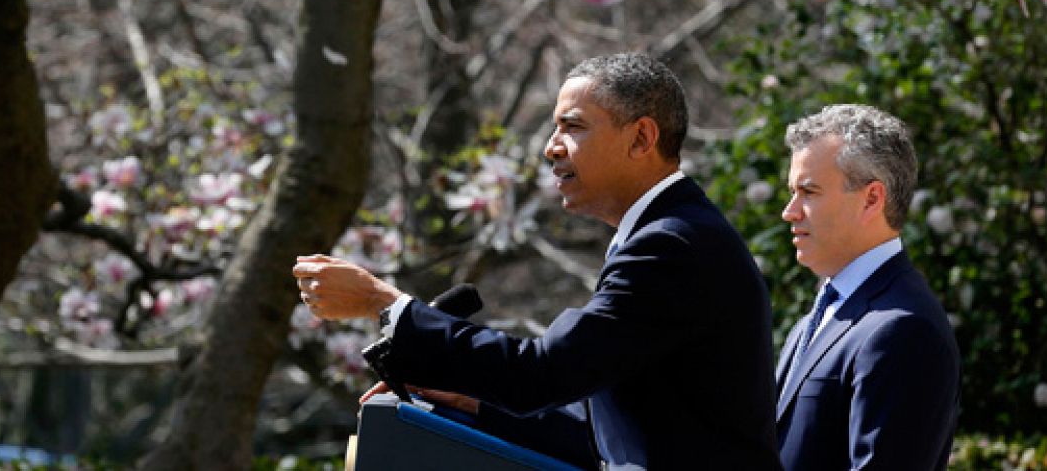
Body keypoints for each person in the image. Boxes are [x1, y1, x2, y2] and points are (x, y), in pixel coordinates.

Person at [295, 53, 782, 471]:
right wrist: (473, 402)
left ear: (641, 139)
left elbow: (543, 373)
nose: (551, 147)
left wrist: (385, 302)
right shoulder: (667, 234)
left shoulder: (672, 245)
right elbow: (602, 435)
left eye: (573, 127)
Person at [775, 104, 960, 471]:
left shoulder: (904, 329)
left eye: (809, 192)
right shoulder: (828, 310)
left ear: (872, 199)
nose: (790, 211)